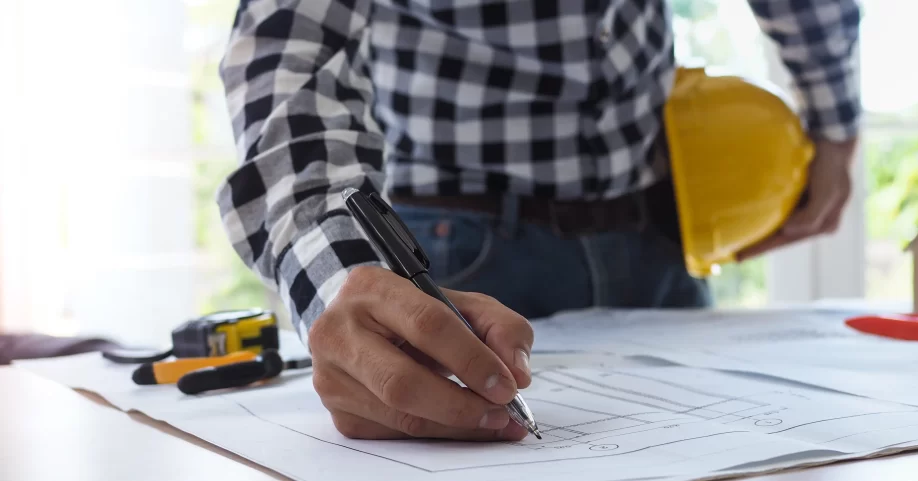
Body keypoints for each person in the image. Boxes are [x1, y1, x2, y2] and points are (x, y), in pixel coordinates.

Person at [216, 0, 861, 442]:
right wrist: (340, 278)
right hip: (454, 260)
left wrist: (834, 123)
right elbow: (287, 49)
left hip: (657, 238)